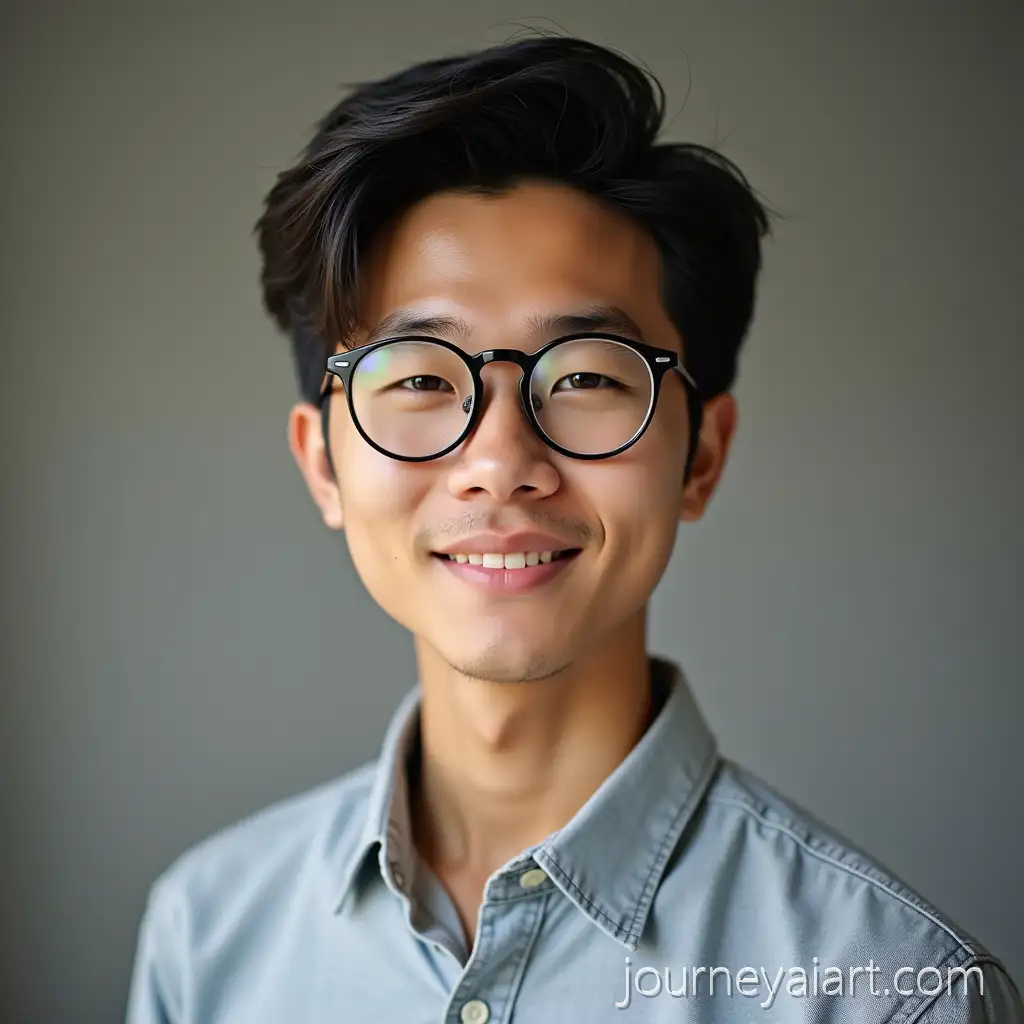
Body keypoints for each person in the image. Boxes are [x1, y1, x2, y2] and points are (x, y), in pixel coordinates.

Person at [126, 35, 1022, 1022]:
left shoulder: (894, 993)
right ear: (322, 462)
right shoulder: (207, 938)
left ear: (703, 454)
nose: (502, 459)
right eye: (420, 375)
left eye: (588, 375)